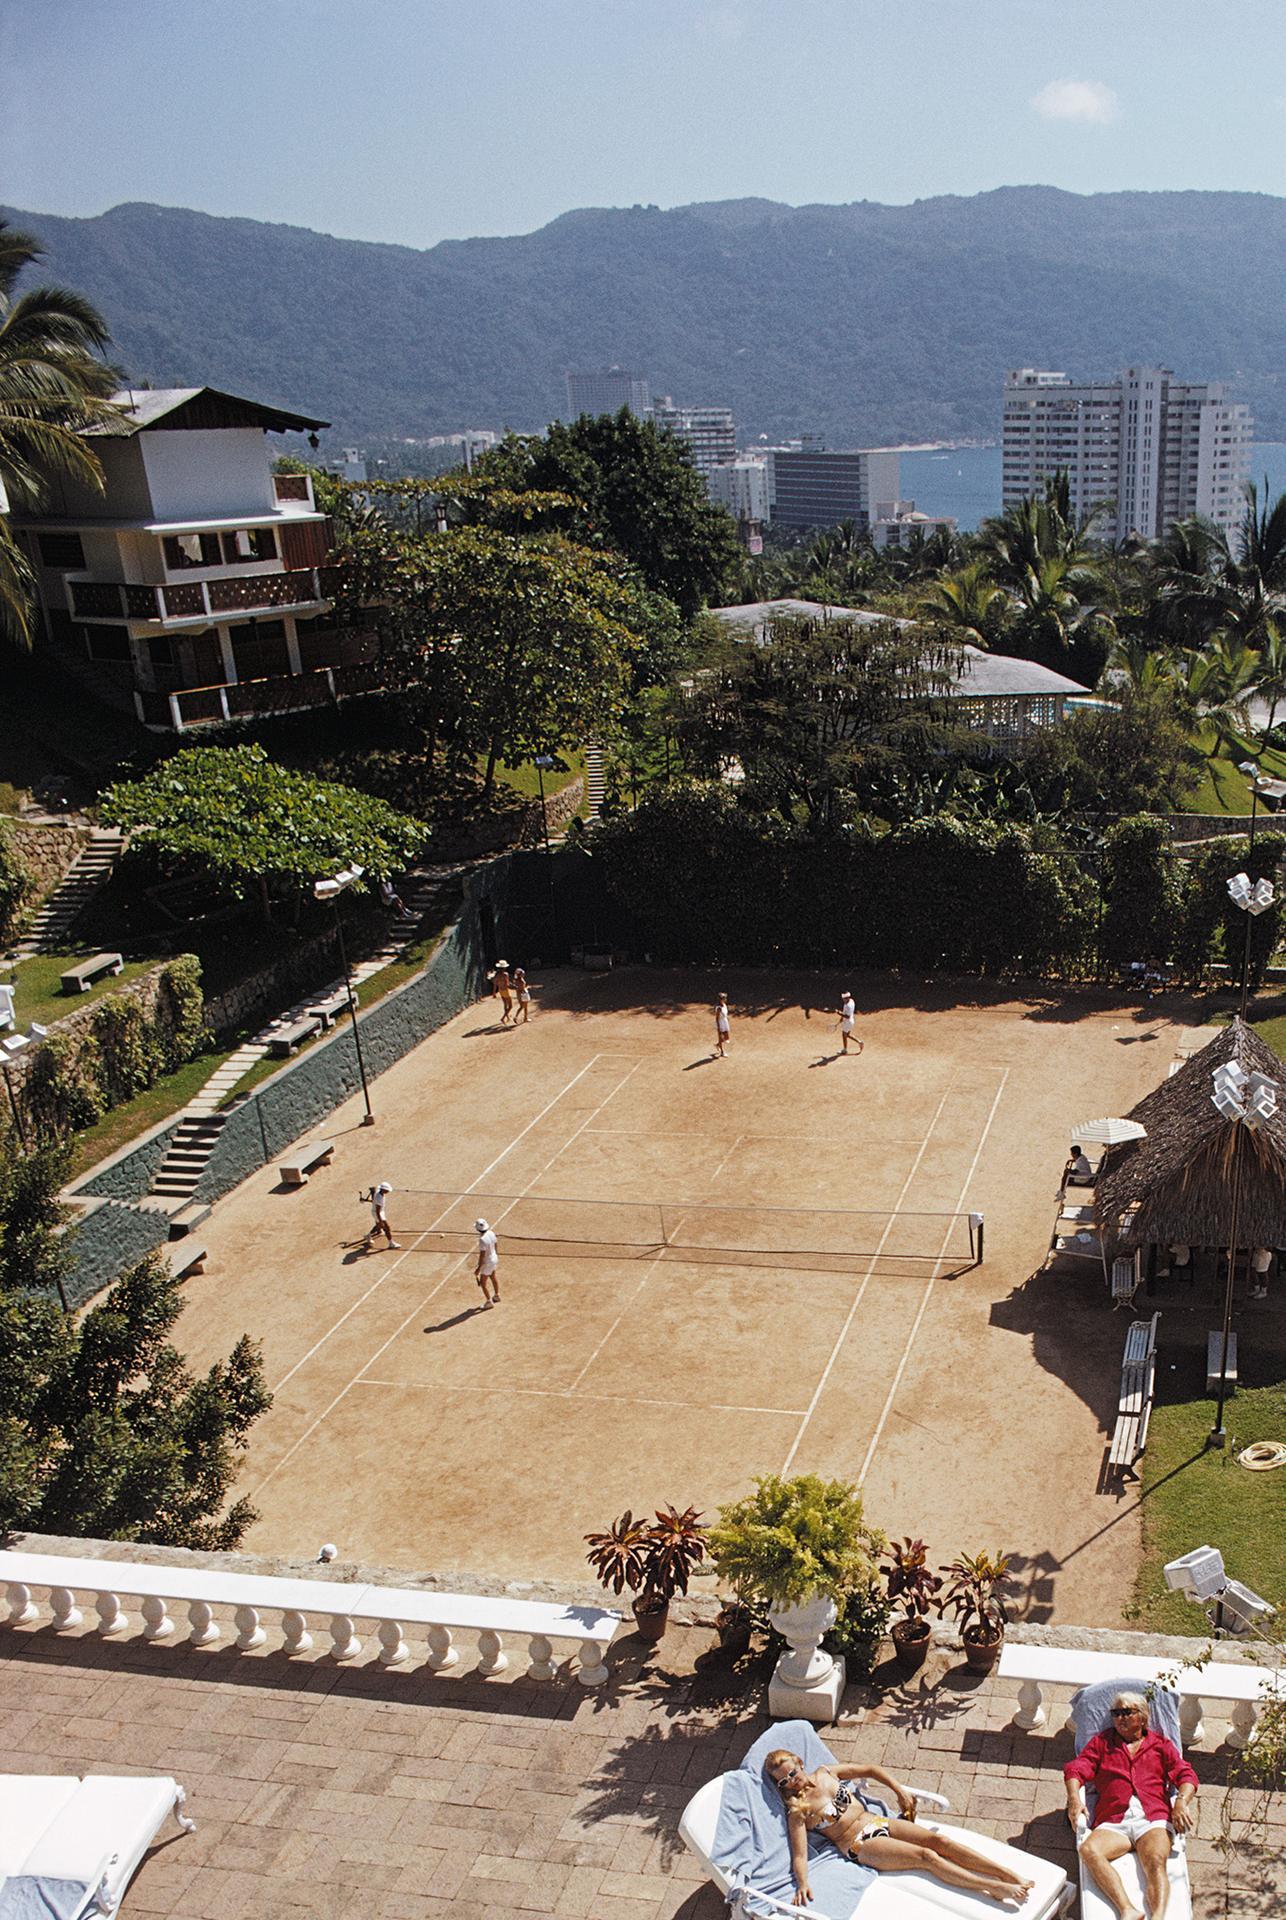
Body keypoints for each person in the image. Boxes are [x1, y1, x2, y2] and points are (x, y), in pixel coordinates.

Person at [766, 1751, 1034, 1909]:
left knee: (940, 1841)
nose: (792, 1781)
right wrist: (803, 1883)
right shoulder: (798, 1810)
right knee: (927, 1857)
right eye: (784, 1781)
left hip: (877, 1821)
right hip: (859, 1843)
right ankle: (992, 1887)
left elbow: (870, 1769)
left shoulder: (826, 1773)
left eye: (792, 1772)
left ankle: (1006, 1873)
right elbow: (799, 1854)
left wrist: (899, 1790)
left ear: (799, 1763)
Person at [1064, 1691, 1198, 1920]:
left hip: (1152, 1818)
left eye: (1127, 1712)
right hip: (1114, 1818)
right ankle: (1127, 1909)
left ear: (1143, 1717)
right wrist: (1074, 1799)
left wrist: (1181, 1802)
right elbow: (1076, 1769)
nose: (1120, 1718)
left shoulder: (1160, 1745)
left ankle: (1157, 1916)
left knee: (1155, 1861)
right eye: (1116, 1713)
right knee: (1089, 1850)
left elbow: (1186, 1775)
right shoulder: (1102, 1743)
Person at [362, 1182, 400, 1251]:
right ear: (382, 1189)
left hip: (380, 1212)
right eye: (387, 1190)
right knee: (387, 1227)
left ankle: (368, 1235)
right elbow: (377, 1211)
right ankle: (391, 1243)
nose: (388, 1191)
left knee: (378, 1226)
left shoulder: (379, 1193)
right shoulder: (379, 1198)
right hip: (378, 1213)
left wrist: (371, 1192)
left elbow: (374, 1201)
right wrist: (380, 1221)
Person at [474, 1217, 500, 1305]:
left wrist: (478, 1269)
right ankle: (497, 1296)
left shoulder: (482, 1240)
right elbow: (496, 1245)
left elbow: (482, 1255)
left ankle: (489, 1302)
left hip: (488, 1262)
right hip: (494, 1258)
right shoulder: (491, 1233)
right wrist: (495, 1255)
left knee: (483, 1283)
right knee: (493, 1277)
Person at [489, 961, 514, 1025]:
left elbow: (495, 984)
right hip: (506, 990)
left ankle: (507, 1017)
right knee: (510, 1006)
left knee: (505, 1004)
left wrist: (494, 993)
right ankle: (503, 1018)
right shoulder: (506, 974)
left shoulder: (497, 975)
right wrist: (514, 986)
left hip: (500, 990)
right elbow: (507, 984)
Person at [838, 991, 861, 1055]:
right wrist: (841, 1018)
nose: (843, 1000)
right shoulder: (851, 1001)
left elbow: (847, 1016)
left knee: (844, 1035)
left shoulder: (848, 1006)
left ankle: (845, 1050)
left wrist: (839, 1013)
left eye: (844, 998)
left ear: (846, 998)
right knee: (847, 1035)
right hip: (851, 1021)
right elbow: (845, 1013)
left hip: (848, 1022)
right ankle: (860, 1042)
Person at [714, 992, 731, 1058]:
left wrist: (727, 1018)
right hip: (720, 1023)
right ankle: (722, 1052)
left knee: (727, 1038)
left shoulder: (724, 1004)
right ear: (721, 999)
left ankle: (718, 1044)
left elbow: (725, 1013)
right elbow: (717, 1018)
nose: (725, 999)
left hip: (725, 1022)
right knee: (720, 1037)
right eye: (724, 998)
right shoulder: (719, 1008)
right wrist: (718, 1027)